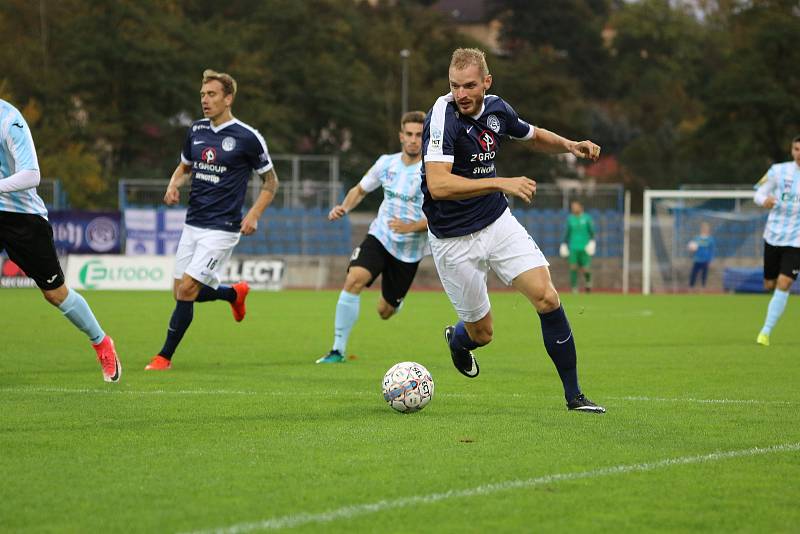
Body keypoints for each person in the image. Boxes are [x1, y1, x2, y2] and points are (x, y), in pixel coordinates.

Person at [422, 48, 605, 413]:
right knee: (482, 334)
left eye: (470, 85)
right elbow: (439, 185)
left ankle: (575, 396)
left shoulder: (497, 108)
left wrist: (569, 145)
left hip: (496, 223)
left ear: (486, 82)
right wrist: (500, 182)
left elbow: (532, 136)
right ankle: (458, 340)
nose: (461, 94)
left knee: (547, 297)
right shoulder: (442, 117)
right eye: (455, 86)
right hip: (453, 238)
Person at [145, 69, 278, 370]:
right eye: (203, 95)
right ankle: (233, 293)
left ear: (228, 98)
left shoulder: (248, 137)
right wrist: (172, 185)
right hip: (193, 224)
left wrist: (254, 215)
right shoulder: (195, 130)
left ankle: (164, 357)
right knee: (179, 291)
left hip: (223, 228)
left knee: (188, 290)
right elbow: (184, 167)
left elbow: (271, 183)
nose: (205, 100)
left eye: (212, 94)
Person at [0, 99, 121, 382]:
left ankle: (101, 342)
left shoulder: (9, 120)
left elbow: (32, 174)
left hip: (22, 218)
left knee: (55, 293)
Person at [316, 111, 428, 363]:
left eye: (419, 135)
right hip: (380, 236)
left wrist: (411, 227)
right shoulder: (386, 163)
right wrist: (344, 207)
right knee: (354, 278)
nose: (413, 140)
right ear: (401, 136)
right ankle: (337, 350)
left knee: (384, 311)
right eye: (409, 134)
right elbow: (360, 189)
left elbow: (443, 217)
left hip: (409, 250)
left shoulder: (432, 172)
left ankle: (394, 302)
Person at [753, 135, 800, 346]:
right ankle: (774, 299)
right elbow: (758, 194)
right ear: (792, 151)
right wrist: (765, 200)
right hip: (773, 234)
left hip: (797, 239)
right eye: (797, 149)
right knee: (769, 284)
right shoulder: (778, 171)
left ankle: (765, 331)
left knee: (785, 282)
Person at [560, 200, 595, 293]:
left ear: (580, 207)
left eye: (575, 206)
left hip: (585, 247)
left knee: (585, 269)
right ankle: (574, 288)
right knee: (573, 267)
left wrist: (592, 242)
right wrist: (564, 243)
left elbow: (592, 232)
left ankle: (588, 282)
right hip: (573, 247)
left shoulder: (587, 218)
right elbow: (567, 232)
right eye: (572, 207)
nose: (573, 208)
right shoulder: (570, 219)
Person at [687, 222, 715, 289]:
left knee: (704, 275)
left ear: (708, 230)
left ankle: (703, 288)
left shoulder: (710, 239)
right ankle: (691, 287)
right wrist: (691, 248)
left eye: (706, 228)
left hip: (705, 260)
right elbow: (692, 246)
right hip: (697, 259)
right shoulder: (697, 238)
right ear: (701, 229)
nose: (705, 230)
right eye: (704, 228)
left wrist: (711, 260)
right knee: (693, 274)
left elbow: (712, 250)